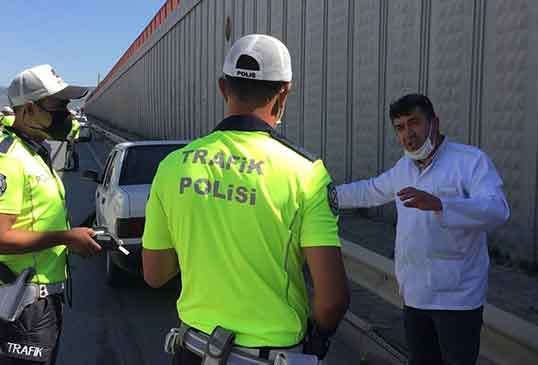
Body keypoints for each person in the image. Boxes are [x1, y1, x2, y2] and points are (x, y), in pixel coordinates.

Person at [142, 34, 349, 364]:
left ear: (223, 88)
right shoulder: (305, 172)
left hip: (192, 349)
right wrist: (318, 339)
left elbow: (155, 274)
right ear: (284, 91)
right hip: (271, 355)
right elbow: (332, 300)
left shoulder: (172, 166)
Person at [336, 94, 510, 365]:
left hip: (457, 298)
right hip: (415, 295)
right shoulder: (403, 168)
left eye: (414, 123)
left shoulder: (469, 161)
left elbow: (497, 209)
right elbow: (369, 191)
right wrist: (325, 196)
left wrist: (441, 204)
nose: (408, 134)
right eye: (400, 127)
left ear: (434, 123)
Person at [0, 64, 102, 365]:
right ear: (26, 110)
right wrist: (65, 237)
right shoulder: (5, 160)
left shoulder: (34, 153)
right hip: (21, 303)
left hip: (41, 299)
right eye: (57, 105)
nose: (65, 112)